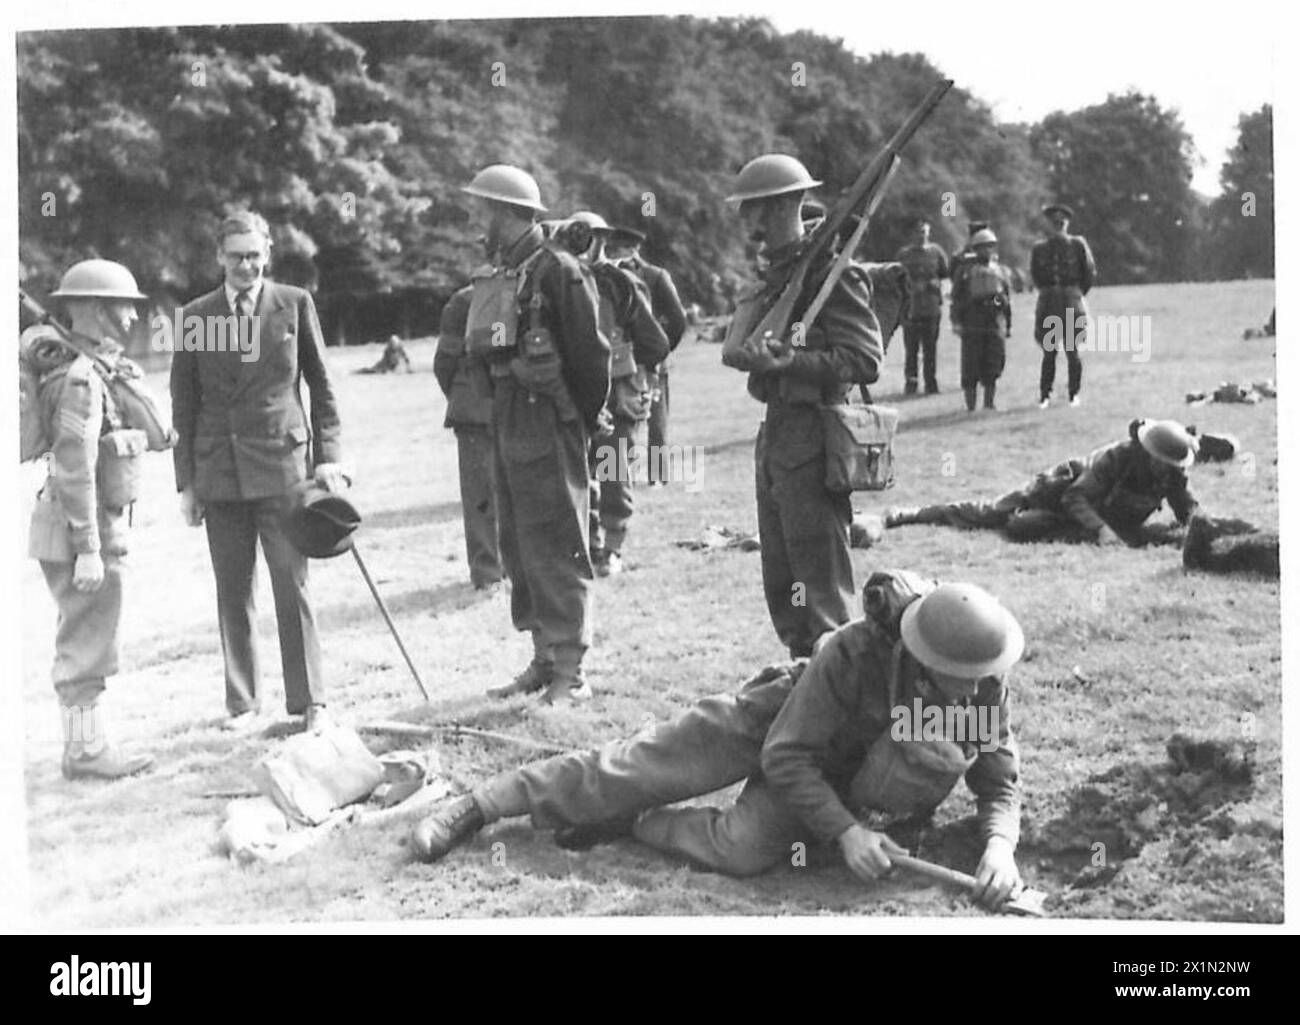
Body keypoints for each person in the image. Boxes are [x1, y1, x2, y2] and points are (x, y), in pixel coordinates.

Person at [410, 576, 1026, 909]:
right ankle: (486, 804)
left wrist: (1000, 847)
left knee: (742, 851)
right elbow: (786, 753)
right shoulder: (853, 653)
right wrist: (845, 832)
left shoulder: (980, 679)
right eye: (958, 680)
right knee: (640, 768)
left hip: (847, 774)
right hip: (784, 721)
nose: (971, 692)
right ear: (921, 656)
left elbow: (998, 779)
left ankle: (636, 826)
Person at [171, 210, 346, 732]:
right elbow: (184, 404)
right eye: (235, 257)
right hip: (220, 473)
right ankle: (243, 704)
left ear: (267, 254)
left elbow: (323, 386)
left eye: (254, 256)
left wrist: (330, 458)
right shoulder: (197, 317)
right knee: (233, 590)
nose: (246, 266)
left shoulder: (294, 304)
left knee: (291, 583)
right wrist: (186, 483)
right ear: (219, 258)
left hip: (283, 467)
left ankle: (310, 701)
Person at [720, 153, 884, 659]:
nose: (753, 224)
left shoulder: (834, 276)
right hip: (776, 434)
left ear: (792, 204)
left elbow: (864, 360)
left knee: (820, 585)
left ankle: (840, 686)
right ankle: (804, 682)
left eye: (763, 210)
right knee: (783, 581)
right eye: (749, 211)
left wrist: (792, 362)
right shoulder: (774, 278)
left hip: (815, 437)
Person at [458, 166, 610, 706]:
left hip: (548, 421)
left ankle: (573, 670)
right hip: (507, 417)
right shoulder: (506, 272)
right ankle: (545, 659)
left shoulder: (559, 272)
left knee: (556, 541)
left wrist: (576, 421)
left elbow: (593, 360)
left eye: (483, 210)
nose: (477, 220)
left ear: (507, 212)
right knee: (520, 544)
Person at [25, 260, 175, 778]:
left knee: (90, 639)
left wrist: (118, 369)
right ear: (92, 309)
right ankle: (86, 753)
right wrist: (88, 547)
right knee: (86, 647)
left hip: (85, 527)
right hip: (79, 531)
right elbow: (74, 468)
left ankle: (84, 749)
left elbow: (158, 434)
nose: (133, 318)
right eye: (122, 307)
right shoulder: (81, 382)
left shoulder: (101, 371)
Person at [886, 419, 1199, 546]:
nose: (1164, 469)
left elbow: (1186, 508)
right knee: (989, 513)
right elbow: (1075, 498)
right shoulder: (1116, 458)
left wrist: (1202, 529)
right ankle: (911, 514)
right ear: (1148, 453)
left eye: (1170, 465)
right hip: (1054, 493)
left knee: (1029, 528)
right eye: (1160, 461)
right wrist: (1102, 529)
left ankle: (1031, 525)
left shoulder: (1172, 472)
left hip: (1093, 519)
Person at [565, 212, 670, 576]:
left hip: (618, 393)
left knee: (611, 473)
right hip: (576, 392)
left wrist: (628, 366)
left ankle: (611, 547)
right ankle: (589, 545)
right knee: (580, 473)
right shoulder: (559, 281)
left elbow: (654, 342)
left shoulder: (621, 283)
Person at [433, 285, 503, 590]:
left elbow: (444, 362)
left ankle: (488, 572)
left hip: (476, 407)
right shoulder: (473, 298)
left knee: (481, 494)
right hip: (502, 404)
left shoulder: (466, 299)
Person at [607, 225, 688, 487]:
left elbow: (676, 320)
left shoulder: (655, 276)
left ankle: (657, 476)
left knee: (657, 420)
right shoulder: (606, 274)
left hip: (651, 359)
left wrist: (659, 350)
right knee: (620, 423)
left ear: (632, 249)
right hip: (619, 360)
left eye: (618, 248)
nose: (613, 252)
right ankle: (618, 476)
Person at [1031, 203, 1097, 408]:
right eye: (1055, 223)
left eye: (1062, 223)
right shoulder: (1040, 248)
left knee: (1072, 351)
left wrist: (1076, 294)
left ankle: (1073, 393)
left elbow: (1089, 273)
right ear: (1049, 225)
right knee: (1049, 351)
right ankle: (1045, 394)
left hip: (1071, 302)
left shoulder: (1077, 244)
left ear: (1066, 224)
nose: (1058, 226)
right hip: (1049, 302)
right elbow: (1036, 276)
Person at [950, 228, 1011, 412]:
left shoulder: (1000, 271)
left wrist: (1008, 323)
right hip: (972, 321)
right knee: (971, 364)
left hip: (993, 320)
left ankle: (989, 403)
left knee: (993, 362)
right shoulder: (964, 271)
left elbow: (1007, 297)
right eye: (982, 247)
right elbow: (957, 298)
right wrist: (956, 321)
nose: (986, 251)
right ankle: (970, 405)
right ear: (975, 249)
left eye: (989, 247)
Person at [894, 219, 950, 395]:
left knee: (930, 349)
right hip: (911, 308)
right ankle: (911, 384)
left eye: (924, 232)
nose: (922, 235)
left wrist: (937, 286)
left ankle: (931, 384)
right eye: (918, 232)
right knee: (911, 349)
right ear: (912, 234)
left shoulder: (936, 252)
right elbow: (897, 280)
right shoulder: (904, 255)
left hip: (932, 307)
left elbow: (946, 277)